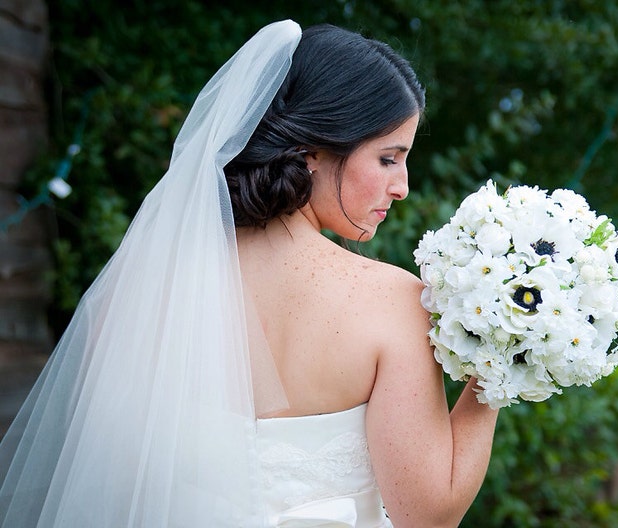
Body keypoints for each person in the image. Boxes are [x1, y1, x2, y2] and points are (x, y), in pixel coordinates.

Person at [0, 19, 498, 528]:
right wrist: (497, 370)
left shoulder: (135, 296)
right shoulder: (392, 301)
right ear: (314, 152)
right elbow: (430, 515)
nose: (402, 187)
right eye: (389, 158)